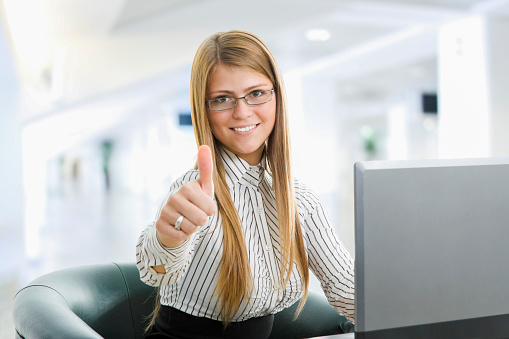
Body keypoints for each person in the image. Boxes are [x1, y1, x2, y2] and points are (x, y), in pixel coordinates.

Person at [136, 29, 354, 339]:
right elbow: (155, 270)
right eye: (222, 99)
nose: (242, 112)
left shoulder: (299, 198)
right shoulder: (196, 192)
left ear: (276, 96)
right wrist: (166, 239)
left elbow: (346, 285)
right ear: (204, 109)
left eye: (256, 93)